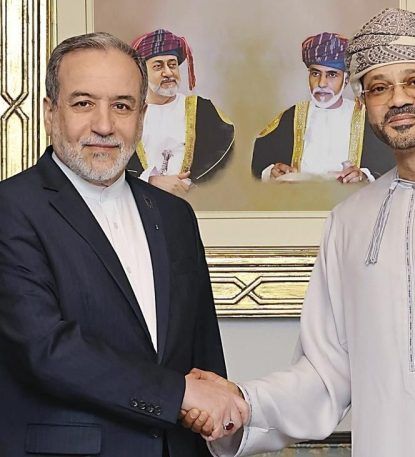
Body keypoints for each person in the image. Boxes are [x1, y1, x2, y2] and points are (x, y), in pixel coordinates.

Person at [183, 8, 415, 457]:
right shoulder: (350, 221)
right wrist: (242, 402)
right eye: (379, 87)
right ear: (364, 103)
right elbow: (325, 376)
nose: (398, 99)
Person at [0, 32, 246, 457]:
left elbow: (203, 354)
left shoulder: (175, 216)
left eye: (122, 105)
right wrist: (179, 395)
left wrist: (216, 411)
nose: (104, 125)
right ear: (49, 112)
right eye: (83, 103)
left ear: (142, 116)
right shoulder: (11, 208)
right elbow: (44, 348)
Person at [251, 32, 394, 183]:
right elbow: (260, 163)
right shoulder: (292, 116)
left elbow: (389, 167)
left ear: (346, 80)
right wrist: (272, 171)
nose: (322, 83)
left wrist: (364, 176)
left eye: (332, 75)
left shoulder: (367, 118)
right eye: (315, 73)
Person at [127, 29, 235, 197]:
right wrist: (150, 180)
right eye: (158, 66)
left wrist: (190, 185)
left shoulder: (203, 110)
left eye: (172, 65)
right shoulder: (126, 114)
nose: (168, 73)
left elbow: (225, 154)